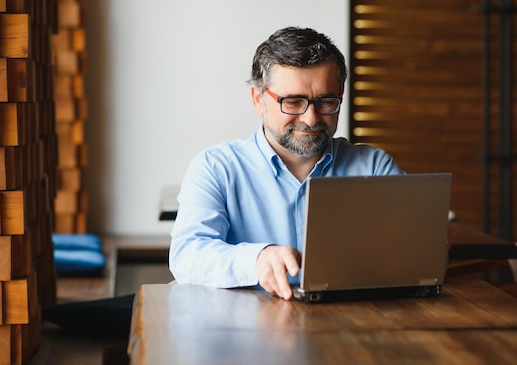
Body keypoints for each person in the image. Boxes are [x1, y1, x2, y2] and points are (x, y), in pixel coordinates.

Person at [169, 27, 404, 300]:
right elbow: (187, 255)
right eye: (293, 102)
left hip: (351, 327)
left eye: (326, 101)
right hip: (246, 332)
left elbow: (408, 254)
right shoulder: (215, 168)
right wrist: (256, 259)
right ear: (258, 99)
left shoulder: (374, 168)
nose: (311, 118)